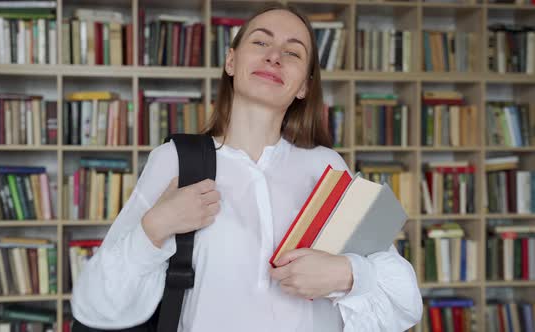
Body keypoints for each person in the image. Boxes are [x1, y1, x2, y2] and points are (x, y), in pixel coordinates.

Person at [71, 3, 423, 331]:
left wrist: (347, 274)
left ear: (303, 86)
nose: (274, 57)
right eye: (260, 42)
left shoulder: (327, 166)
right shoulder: (176, 159)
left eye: (293, 52)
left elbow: (405, 300)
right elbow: (97, 303)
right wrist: (156, 226)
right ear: (231, 61)